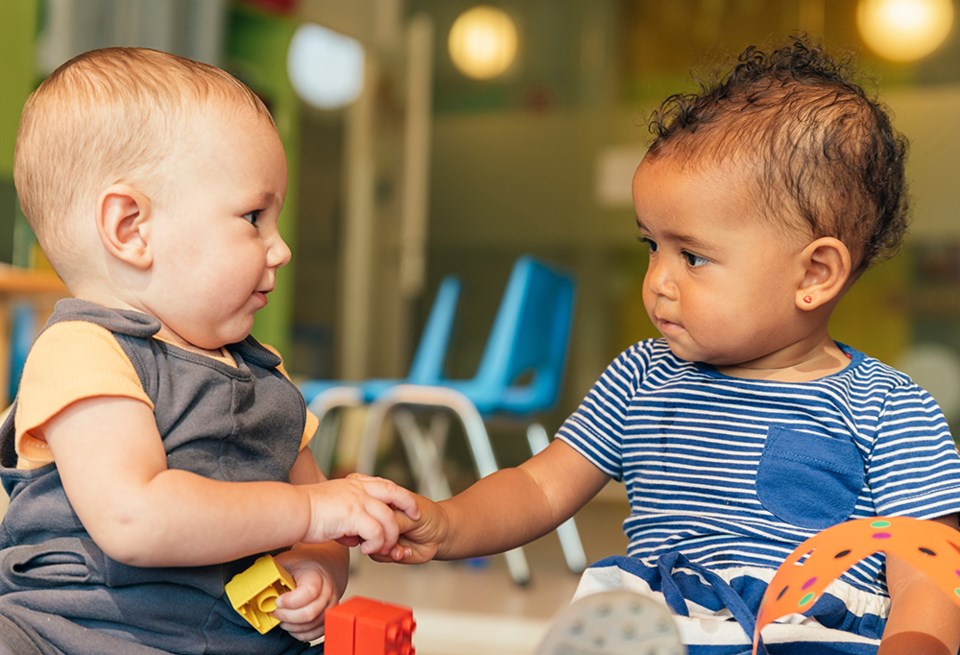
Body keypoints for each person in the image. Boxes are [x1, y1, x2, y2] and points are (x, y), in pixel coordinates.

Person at [385, 37, 960, 655]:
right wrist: (447, 524)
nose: (658, 280)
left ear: (814, 275)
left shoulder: (888, 408)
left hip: (808, 635)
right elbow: (539, 488)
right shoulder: (641, 376)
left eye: (692, 256)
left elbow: (924, 565)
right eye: (650, 246)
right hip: (659, 631)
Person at [0, 47, 418, 655]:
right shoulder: (83, 353)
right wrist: (307, 513)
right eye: (253, 217)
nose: (280, 250)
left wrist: (317, 569)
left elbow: (319, 523)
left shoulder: (265, 376)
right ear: (131, 229)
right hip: (71, 637)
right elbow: (135, 518)